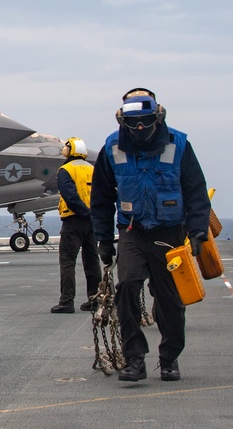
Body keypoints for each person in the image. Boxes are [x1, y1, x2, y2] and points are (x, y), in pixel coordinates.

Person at [90, 88, 210, 382]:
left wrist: (197, 231)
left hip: (169, 232)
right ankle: (134, 359)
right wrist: (104, 239)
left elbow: (195, 190)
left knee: (169, 299)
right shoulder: (112, 146)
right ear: (123, 121)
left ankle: (169, 358)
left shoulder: (178, 143)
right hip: (132, 230)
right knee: (128, 284)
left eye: (145, 120)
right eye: (134, 122)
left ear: (157, 117)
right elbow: (102, 196)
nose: (140, 128)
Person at [51, 137, 102, 314]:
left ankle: (66, 302)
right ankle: (95, 299)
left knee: (67, 262)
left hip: (74, 221)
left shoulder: (65, 170)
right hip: (92, 222)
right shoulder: (92, 169)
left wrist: (83, 213)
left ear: (68, 150)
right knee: (92, 261)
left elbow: (70, 196)